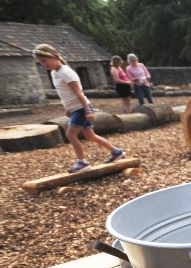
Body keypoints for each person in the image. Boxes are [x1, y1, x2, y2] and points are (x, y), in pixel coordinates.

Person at [32, 44, 125, 173]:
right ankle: (116, 152)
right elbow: (65, 93)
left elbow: (79, 93)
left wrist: (87, 110)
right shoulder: (54, 73)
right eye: (40, 62)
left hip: (81, 108)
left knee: (70, 135)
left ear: (53, 57)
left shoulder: (66, 72)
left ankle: (82, 162)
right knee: (90, 136)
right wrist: (68, 108)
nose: (43, 64)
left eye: (44, 61)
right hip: (75, 109)